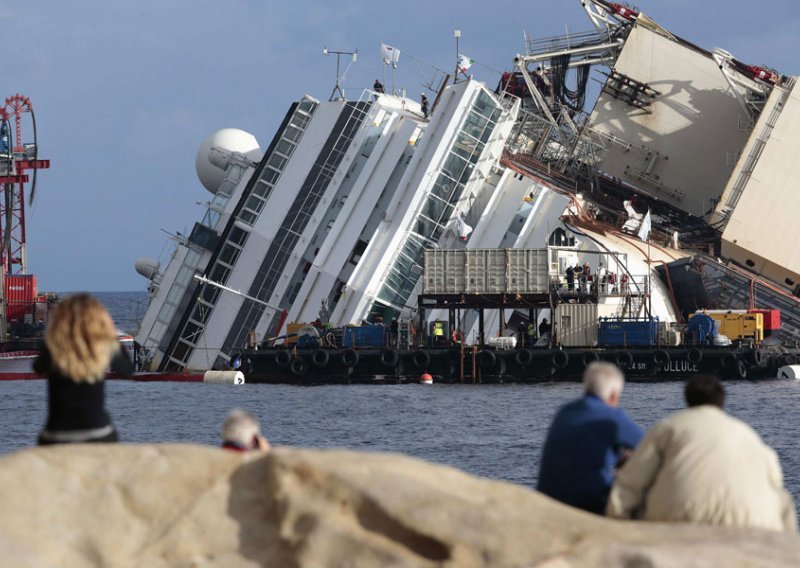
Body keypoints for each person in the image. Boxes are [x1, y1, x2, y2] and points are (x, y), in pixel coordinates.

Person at [606, 376, 796, 532]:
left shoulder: (669, 427)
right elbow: (776, 483)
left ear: (687, 400)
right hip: (752, 518)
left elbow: (633, 479)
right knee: (784, 499)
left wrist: (616, 518)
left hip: (680, 514)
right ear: (722, 402)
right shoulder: (748, 434)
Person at [537, 362, 643, 514]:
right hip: (588, 502)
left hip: (550, 499)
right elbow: (649, 445)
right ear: (613, 395)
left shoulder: (565, 412)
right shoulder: (611, 417)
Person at [35, 293, 130, 445]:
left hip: (57, 435)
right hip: (98, 432)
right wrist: (110, 334)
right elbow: (126, 370)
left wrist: (53, 335)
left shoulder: (54, 347)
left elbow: (37, 367)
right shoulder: (103, 348)